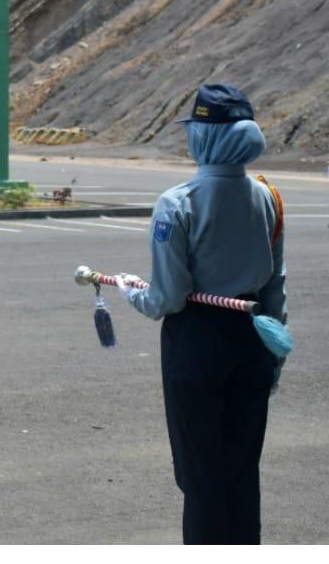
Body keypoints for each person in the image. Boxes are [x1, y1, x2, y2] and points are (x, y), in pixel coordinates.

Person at [113, 82, 287, 545]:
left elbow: (166, 298)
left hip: (198, 342)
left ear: (207, 137)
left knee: (202, 475)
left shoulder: (179, 202)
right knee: (241, 470)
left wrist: (132, 290)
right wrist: (275, 356)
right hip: (254, 339)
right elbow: (276, 286)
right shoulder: (268, 197)